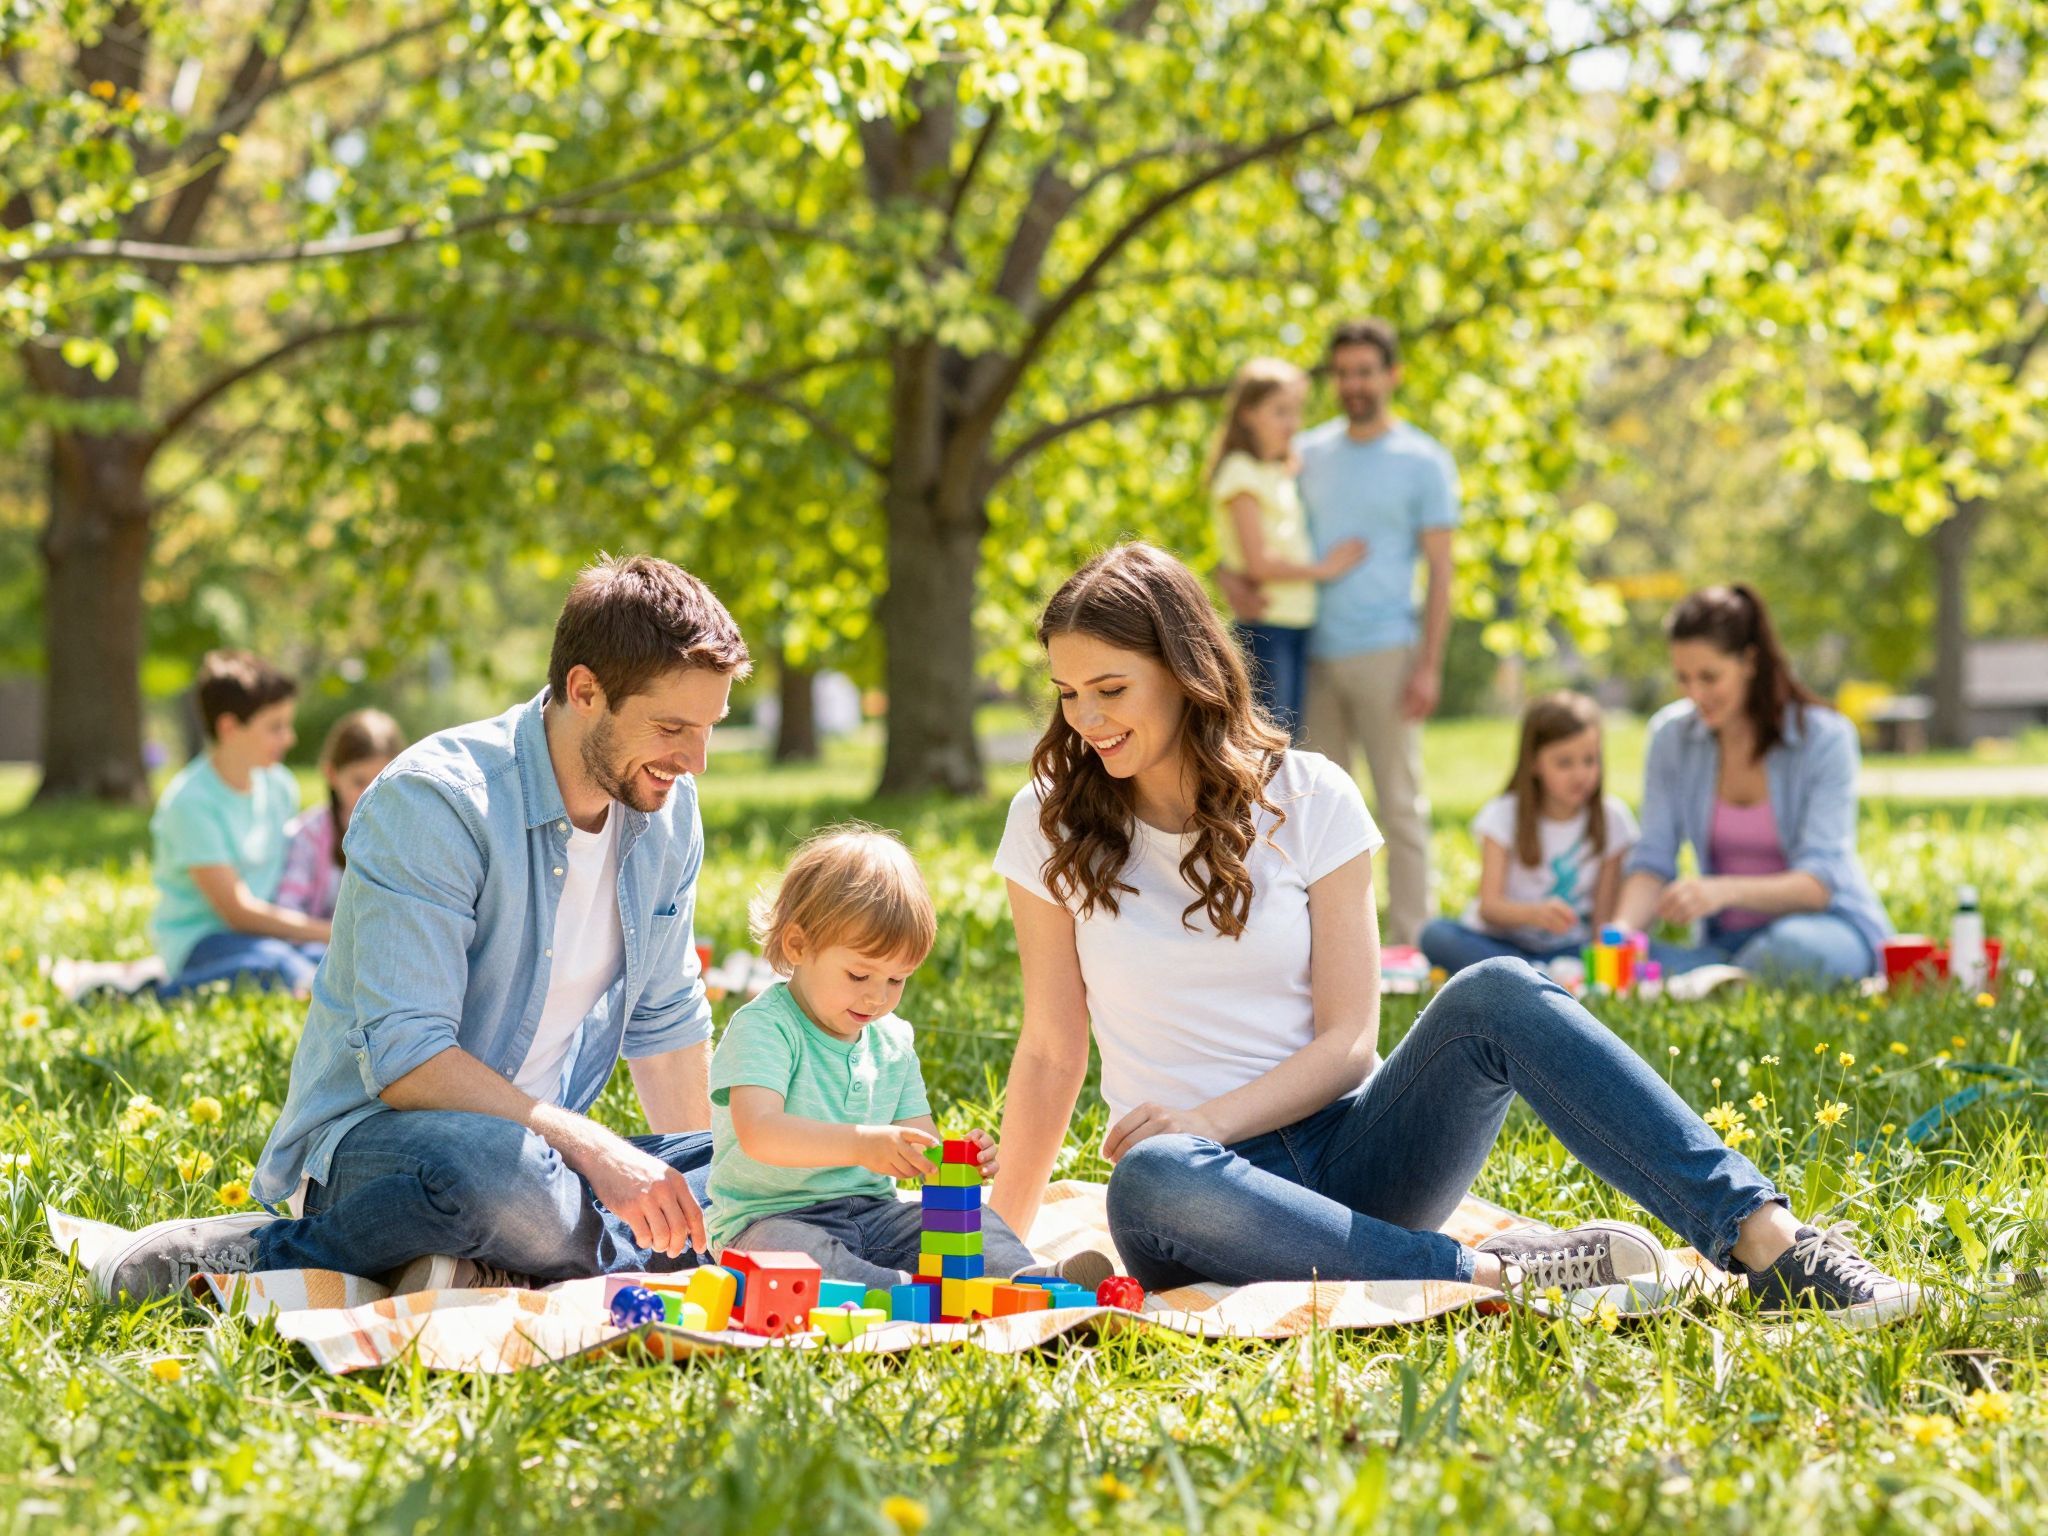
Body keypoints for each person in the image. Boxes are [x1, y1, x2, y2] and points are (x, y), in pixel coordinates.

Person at [986, 542, 1919, 1323]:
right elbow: (1051, 1048)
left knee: (1499, 990)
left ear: (1186, 673)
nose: (1088, 719)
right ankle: (1489, 1273)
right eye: (1069, 694)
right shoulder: (1049, 821)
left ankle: (1772, 1246)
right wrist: (1000, 1242)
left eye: (1111, 688)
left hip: (1354, 1156)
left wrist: (1211, 1118)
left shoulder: (1310, 795)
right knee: (1147, 1173)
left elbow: (1352, 1045)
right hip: (1200, 1202)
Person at [95, 555, 749, 1301]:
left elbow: (665, 1022)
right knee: (501, 1179)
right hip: (394, 1147)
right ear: (584, 691)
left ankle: (504, 1260)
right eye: (672, 727)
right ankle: (265, 1251)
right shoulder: (437, 801)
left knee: (774, 1172)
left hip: (552, 1162)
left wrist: (701, 1213)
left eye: (708, 730)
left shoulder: (667, 809)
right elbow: (411, 1062)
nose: (694, 761)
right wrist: (600, 1152)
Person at [708, 825, 1070, 1289]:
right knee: (794, 1259)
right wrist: (861, 1143)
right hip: (770, 1221)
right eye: (859, 974)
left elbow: (917, 1140)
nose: (877, 997)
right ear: (798, 946)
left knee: (974, 1222)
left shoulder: (892, 1039)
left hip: (876, 1215)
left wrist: (952, 1159)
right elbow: (760, 1133)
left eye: (897, 980)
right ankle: (895, 1293)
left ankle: (1033, 1280)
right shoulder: (766, 1027)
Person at [1222, 318, 1458, 948]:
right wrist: (1229, 575)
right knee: (1310, 808)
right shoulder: (1305, 453)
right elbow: (1254, 521)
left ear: (1391, 375)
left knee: (1400, 802)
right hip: (1310, 651)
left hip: (1388, 651)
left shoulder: (1424, 461)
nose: (1353, 384)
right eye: (1344, 373)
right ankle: (1328, 942)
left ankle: (1413, 941)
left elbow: (1442, 572)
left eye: (1366, 371)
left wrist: (1430, 663)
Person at [1617, 584, 1892, 983]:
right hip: (1725, 940)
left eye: (1710, 677)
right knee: (1631, 961)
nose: (1696, 694)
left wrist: (1722, 891)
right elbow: (1653, 859)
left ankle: (1705, 979)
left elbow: (1819, 884)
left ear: (1749, 661)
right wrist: (1621, 935)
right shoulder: (1671, 737)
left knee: (1794, 951)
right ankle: (1714, 978)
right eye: (1683, 678)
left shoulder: (1825, 738)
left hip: (1827, 928)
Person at [148, 650, 329, 999]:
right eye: (275, 727)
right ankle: (148, 992)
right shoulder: (191, 803)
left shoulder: (279, 786)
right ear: (229, 728)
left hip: (263, 937)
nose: (288, 738)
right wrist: (326, 930)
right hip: (202, 941)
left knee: (322, 959)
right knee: (278, 966)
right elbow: (236, 912)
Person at [1419, 692, 1638, 975]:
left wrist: (1607, 957)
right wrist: (1533, 914)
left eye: (1589, 760)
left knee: (1642, 954)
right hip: (1502, 943)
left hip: (1569, 948)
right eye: (1564, 763)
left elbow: (1602, 920)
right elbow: (1489, 907)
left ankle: (1527, 979)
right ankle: (1530, 976)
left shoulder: (1613, 818)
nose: (1580, 774)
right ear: (1534, 763)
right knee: (1437, 935)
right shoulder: (1503, 815)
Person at [1206, 357, 1365, 740]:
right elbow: (1258, 562)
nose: (1292, 424)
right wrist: (1324, 570)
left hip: (1296, 621)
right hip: (1267, 623)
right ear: (1247, 414)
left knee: (1289, 738)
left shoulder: (1277, 470)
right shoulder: (1239, 472)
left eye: (1296, 412)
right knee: (1270, 740)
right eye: (1279, 412)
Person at [276, 709, 408, 922]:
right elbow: (288, 906)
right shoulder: (309, 833)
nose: (370, 793)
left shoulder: (405, 833)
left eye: (381, 781)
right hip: (317, 947)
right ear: (332, 774)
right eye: (359, 781)